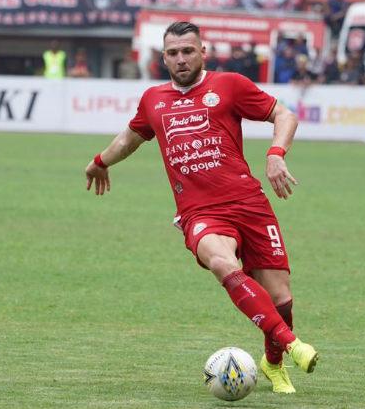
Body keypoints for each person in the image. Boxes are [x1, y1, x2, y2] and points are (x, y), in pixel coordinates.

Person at [84, 21, 319, 394]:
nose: (181, 59)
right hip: (201, 213)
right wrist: (101, 161)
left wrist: (276, 154)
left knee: (281, 298)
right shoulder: (153, 100)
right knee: (222, 262)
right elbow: (130, 137)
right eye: (173, 53)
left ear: (203, 52)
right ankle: (292, 344)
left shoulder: (229, 85)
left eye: (188, 51)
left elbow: (284, 115)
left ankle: (273, 363)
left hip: (249, 203)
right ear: (163, 57)